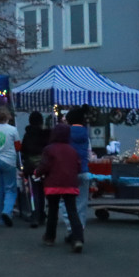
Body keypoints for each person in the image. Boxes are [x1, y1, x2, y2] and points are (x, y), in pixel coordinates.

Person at [35, 122, 85, 252]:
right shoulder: (72, 150)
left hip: (53, 184)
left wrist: (36, 172)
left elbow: (45, 166)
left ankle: (50, 237)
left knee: (52, 211)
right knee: (72, 212)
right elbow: (78, 167)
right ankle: (78, 238)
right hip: (70, 184)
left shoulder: (49, 149)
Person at [0, 106, 21, 227]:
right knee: (10, 189)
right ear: (8, 117)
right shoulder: (13, 130)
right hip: (9, 161)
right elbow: (18, 147)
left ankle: (0, 218)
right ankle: (7, 211)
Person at [62, 105, 91, 236]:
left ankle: (70, 229)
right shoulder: (85, 133)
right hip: (84, 171)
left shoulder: (66, 133)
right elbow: (89, 154)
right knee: (82, 203)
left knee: (65, 203)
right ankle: (80, 228)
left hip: (69, 172)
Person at [20, 111, 50, 228]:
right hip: (44, 165)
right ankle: (42, 214)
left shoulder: (28, 135)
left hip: (31, 166)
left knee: (34, 192)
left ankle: (35, 215)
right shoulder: (46, 134)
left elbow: (23, 150)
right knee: (43, 191)